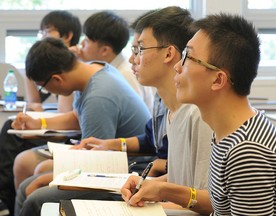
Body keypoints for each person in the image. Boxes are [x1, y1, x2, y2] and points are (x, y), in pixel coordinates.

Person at [16, 6, 212, 216]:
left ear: (168, 53)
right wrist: (113, 146)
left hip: (151, 179)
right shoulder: (166, 101)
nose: (132, 59)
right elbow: (166, 161)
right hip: (152, 181)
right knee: (37, 181)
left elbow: (203, 199)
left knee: (40, 195)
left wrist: (156, 187)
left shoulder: (194, 112)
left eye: (139, 49)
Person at [122, 13, 276, 215]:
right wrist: (161, 188)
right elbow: (219, 199)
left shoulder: (246, 150)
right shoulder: (227, 131)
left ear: (218, 80)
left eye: (188, 58)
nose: (177, 66)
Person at [11, 37, 150, 216]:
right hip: (109, 155)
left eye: (44, 88)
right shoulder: (93, 70)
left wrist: (48, 178)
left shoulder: (98, 97)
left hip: (129, 165)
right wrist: (38, 123)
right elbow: (77, 117)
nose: (48, 92)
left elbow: (94, 161)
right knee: (25, 164)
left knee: (30, 187)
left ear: (57, 79)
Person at [0, 10, 82, 216]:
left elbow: (70, 118)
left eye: (47, 31)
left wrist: (40, 124)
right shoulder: (52, 65)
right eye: (41, 33)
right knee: (12, 127)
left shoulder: (71, 66)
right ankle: (4, 201)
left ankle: (4, 201)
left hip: (70, 137)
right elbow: (34, 104)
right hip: (62, 129)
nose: (43, 36)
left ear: (67, 35)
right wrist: (32, 67)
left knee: (12, 135)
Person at [70, 11, 155, 113]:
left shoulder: (127, 74)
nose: (81, 44)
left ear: (105, 50)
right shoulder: (107, 70)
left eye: (87, 40)